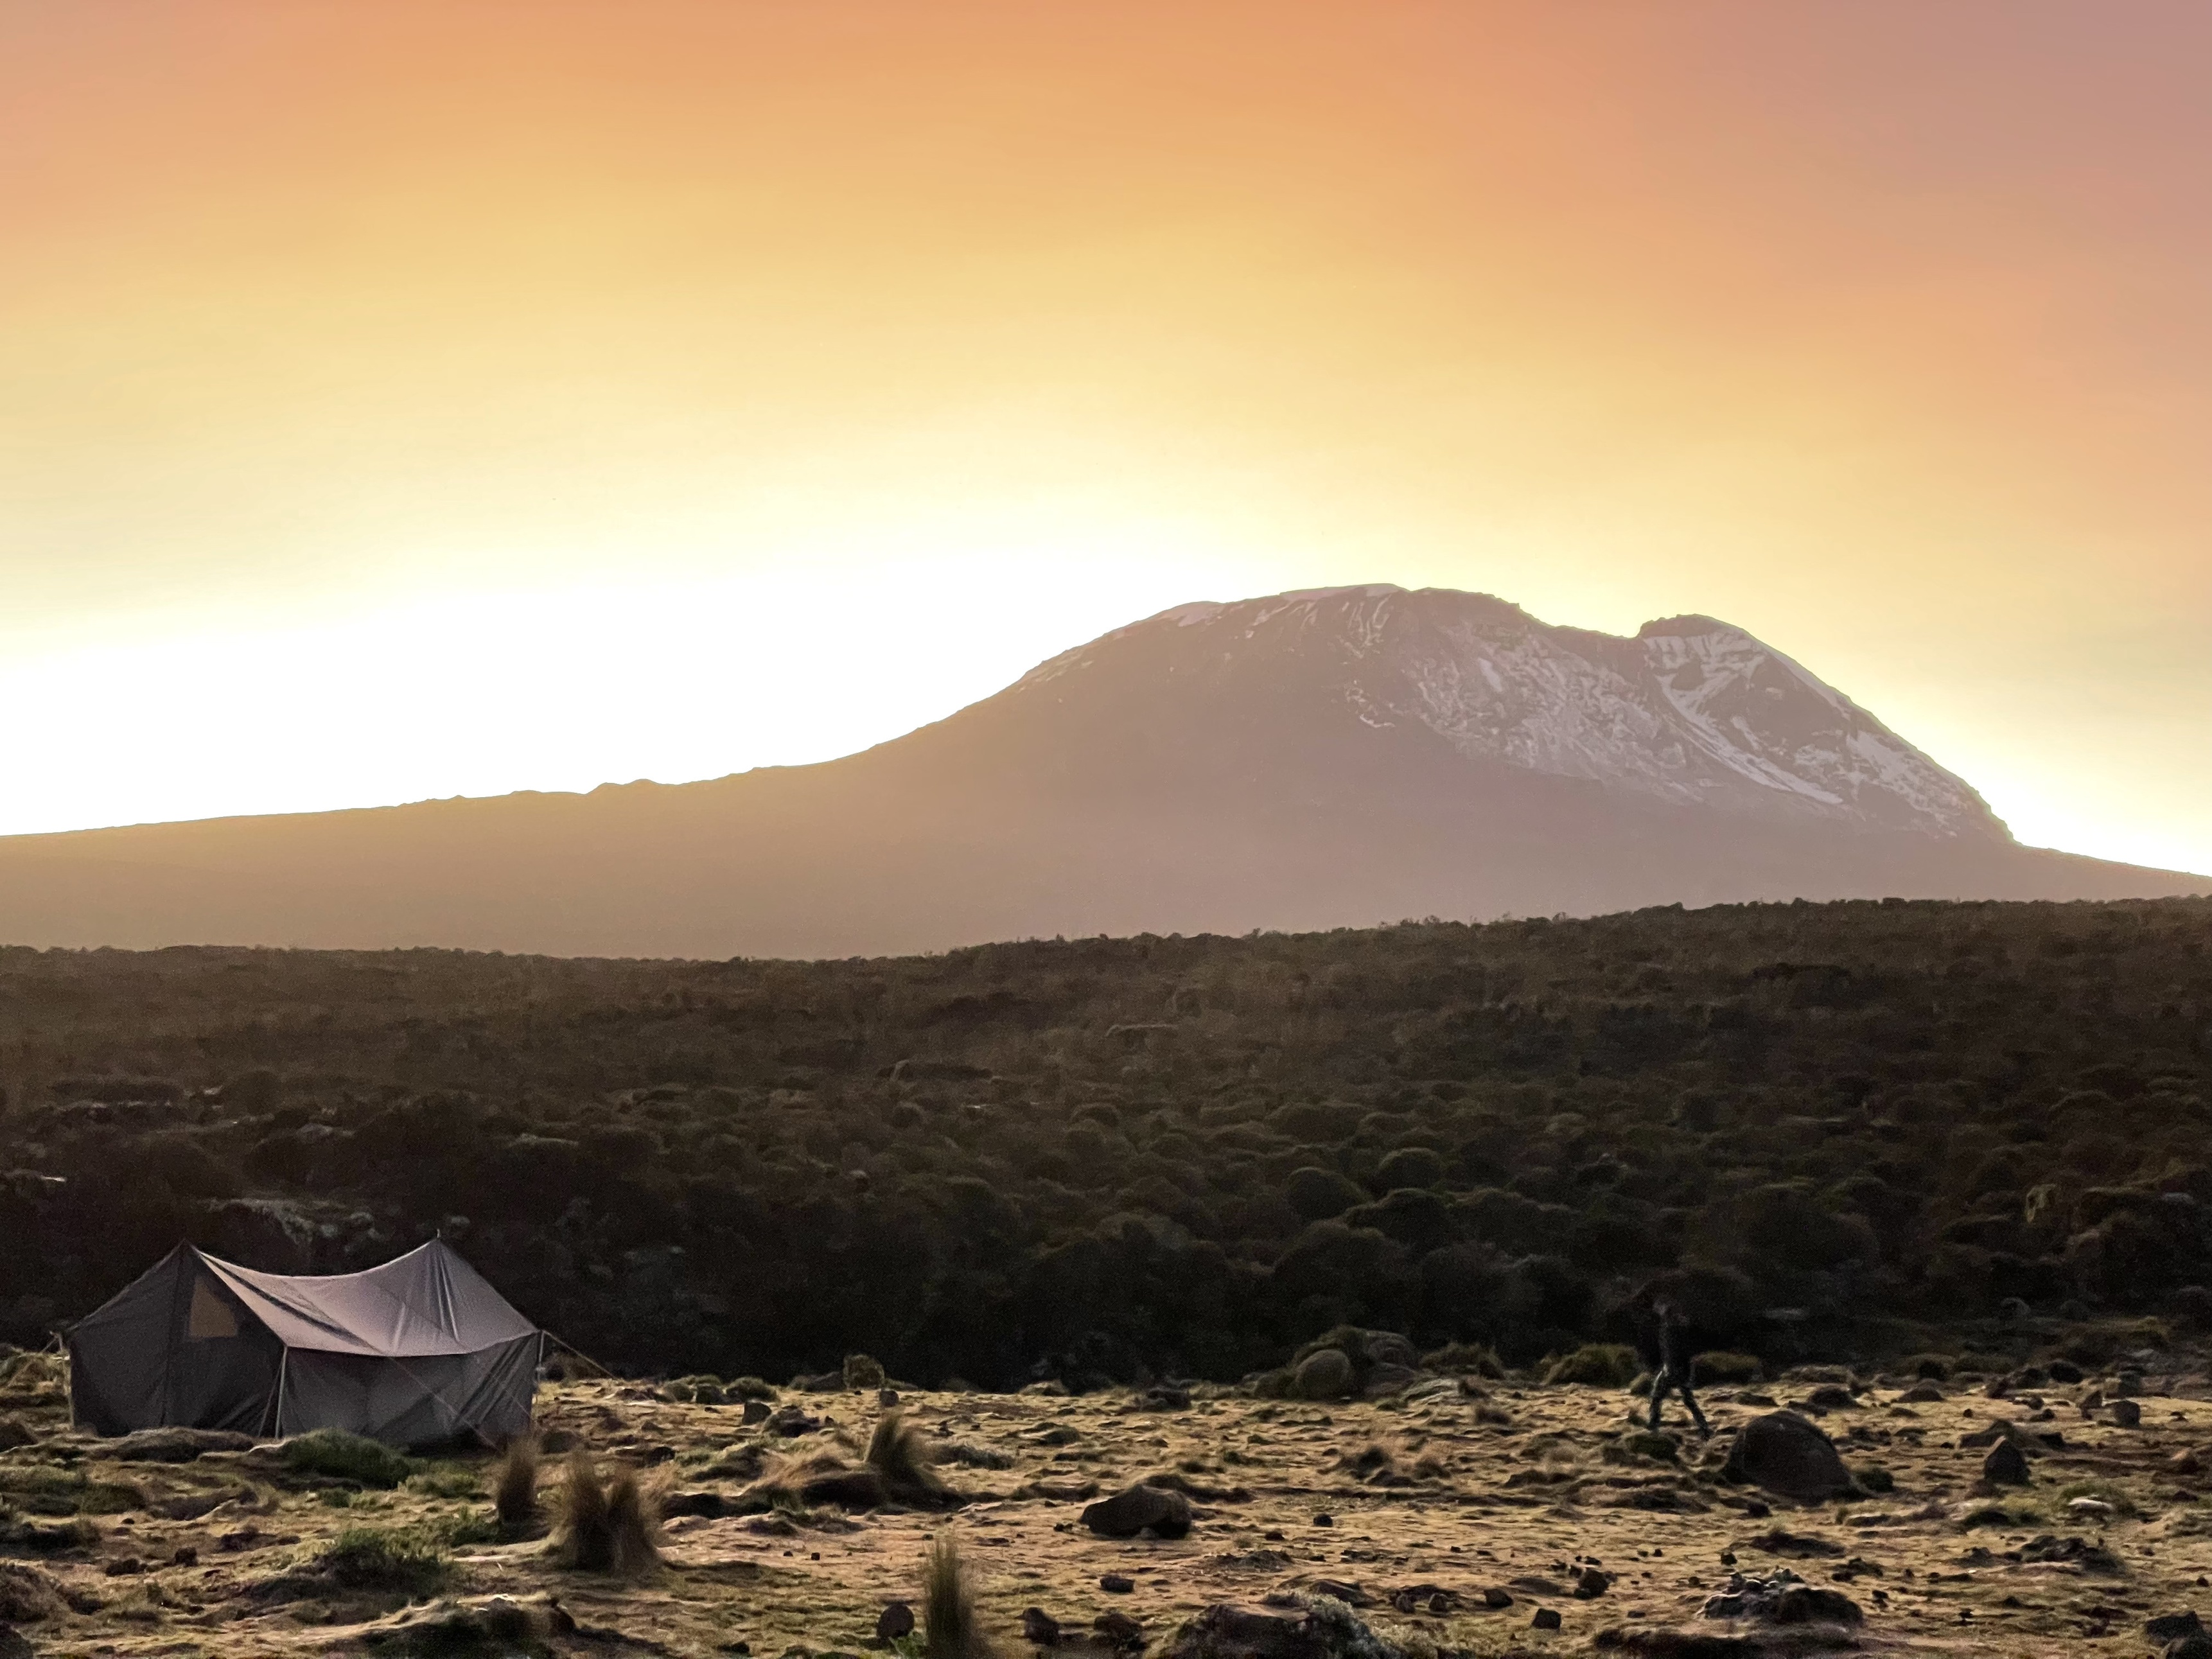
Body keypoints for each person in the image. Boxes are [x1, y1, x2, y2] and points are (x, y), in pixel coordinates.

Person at [1633, 1285, 1709, 1435]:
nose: (1659, 1312)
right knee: (1661, 1397)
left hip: (1676, 1369)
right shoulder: (1670, 1326)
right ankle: (1654, 1426)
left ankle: (1703, 1428)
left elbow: (1680, 1351)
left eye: (1662, 1310)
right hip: (1671, 1368)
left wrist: (1678, 1369)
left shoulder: (1674, 1328)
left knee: (1678, 1399)